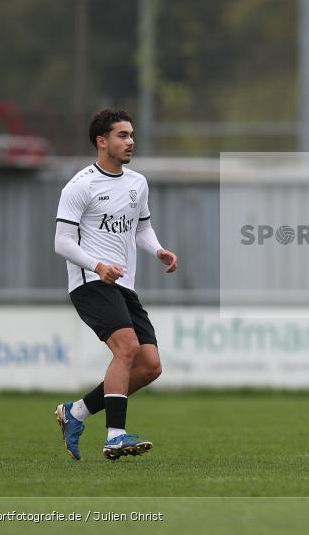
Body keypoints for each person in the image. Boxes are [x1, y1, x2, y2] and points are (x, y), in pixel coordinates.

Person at [52, 109, 178, 461]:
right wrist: (98, 265)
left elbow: (141, 227)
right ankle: (115, 437)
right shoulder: (80, 186)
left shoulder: (137, 183)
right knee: (126, 349)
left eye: (131, 134)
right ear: (101, 141)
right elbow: (61, 242)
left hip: (123, 285)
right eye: (122, 135)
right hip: (90, 281)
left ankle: (75, 412)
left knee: (150, 365)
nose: (131, 141)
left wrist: (158, 250)